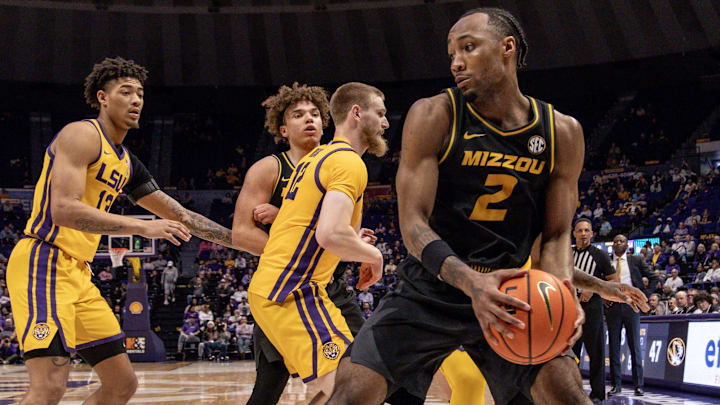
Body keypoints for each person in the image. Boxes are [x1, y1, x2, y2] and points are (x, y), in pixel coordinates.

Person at [328, 9, 647, 405]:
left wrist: (559, 292)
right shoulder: (434, 114)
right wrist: (471, 283)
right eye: (451, 54)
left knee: (569, 396)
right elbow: (412, 224)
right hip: (431, 290)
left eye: (468, 47)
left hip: (513, 295)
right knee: (350, 393)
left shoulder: (561, 131)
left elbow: (557, 233)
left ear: (507, 48)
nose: (455, 62)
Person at [5, 57, 237, 405]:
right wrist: (142, 227)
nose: (136, 100)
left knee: (121, 384)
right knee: (50, 386)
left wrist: (244, 244)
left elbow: (181, 215)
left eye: (140, 93)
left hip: (78, 273)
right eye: (125, 92)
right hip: (43, 262)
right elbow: (64, 209)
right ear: (102, 97)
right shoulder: (81, 134)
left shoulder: (127, 161)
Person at [248, 82, 389, 405]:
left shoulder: (317, 157)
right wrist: (375, 256)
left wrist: (354, 242)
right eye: (379, 113)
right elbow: (329, 234)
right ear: (356, 113)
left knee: (348, 384)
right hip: (292, 290)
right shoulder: (349, 162)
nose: (385, 123)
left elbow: (310, 226)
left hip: (285, 287)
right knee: (356, 388)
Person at [607, 234, 658, 397]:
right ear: (613, 245)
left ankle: (639, 386)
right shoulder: (607, 262)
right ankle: (616, 385)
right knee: (614, 347)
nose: (618, 243)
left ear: (627, 244)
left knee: (635, 346)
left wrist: (644, 295)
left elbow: (654, 277)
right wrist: (603, 301)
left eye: (621, 241)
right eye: (615, 241)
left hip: (632, 306)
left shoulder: (635, 260)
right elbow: (598, 283)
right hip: (613, 306)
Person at [572, 218, 617, 402]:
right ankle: (571, 391)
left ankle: (598, 394)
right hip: (569, 307)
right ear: (574, 233)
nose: (583, 233)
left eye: (586, 230)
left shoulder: (600, 255)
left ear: (592, 234)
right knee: (570, 352)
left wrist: (593, 289)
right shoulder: (567, 255)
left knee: (596, 351)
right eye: (580, 230)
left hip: (592, 308)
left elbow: (613, 282)